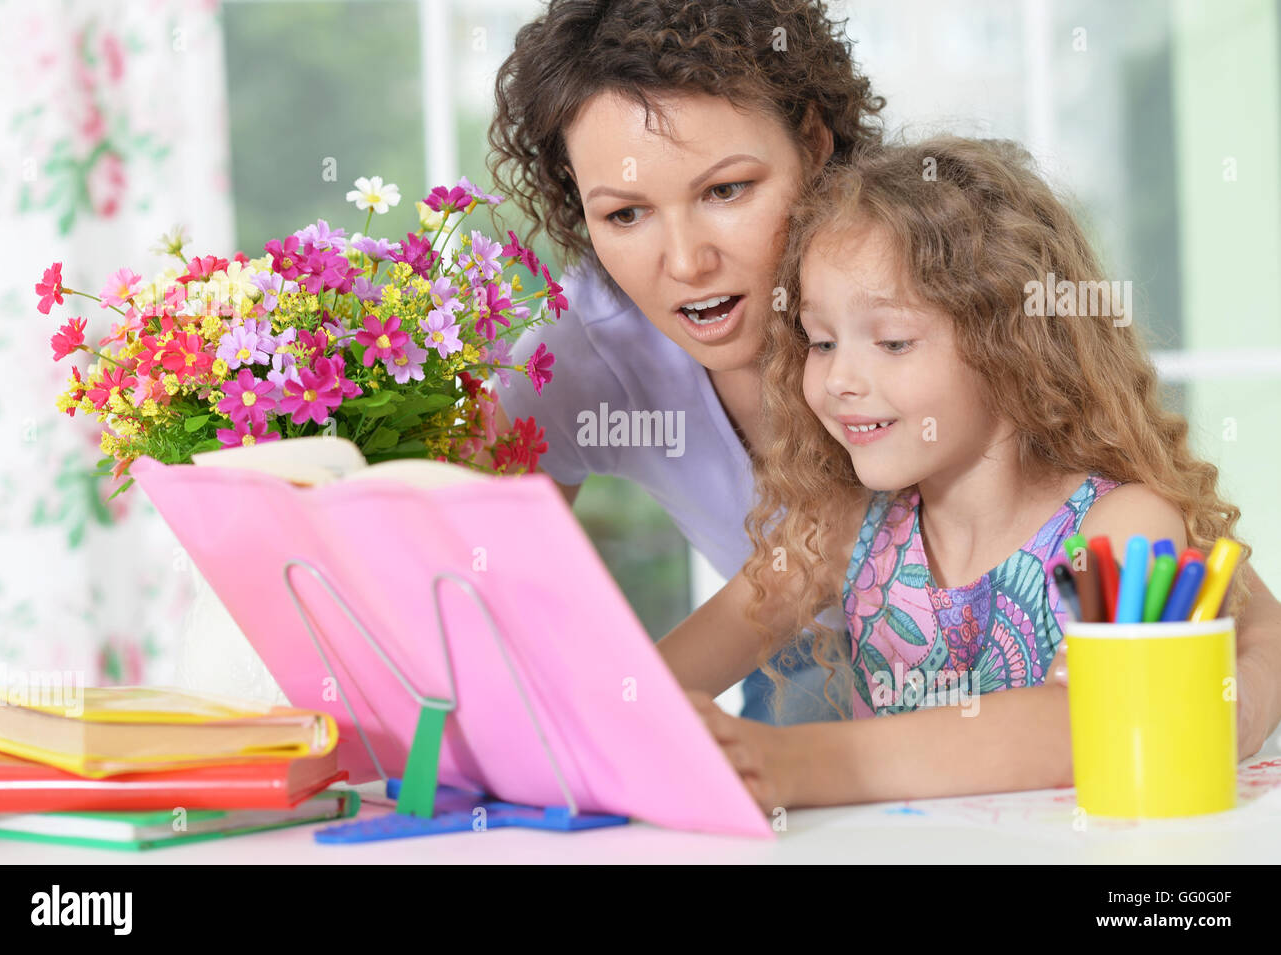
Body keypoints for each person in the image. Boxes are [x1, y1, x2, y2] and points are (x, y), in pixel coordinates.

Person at [483, 0, 1281, 745]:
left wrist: (1214, 710)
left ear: (814, 141)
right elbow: (481, 593)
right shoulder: (583, 360)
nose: (687, 262)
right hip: (835, 674)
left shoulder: (911, 246)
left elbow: (1172, 663)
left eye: (727, 189)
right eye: (625, 212)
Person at [658, 135, 1266, 810]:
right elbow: (661, 680)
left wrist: (796, 761)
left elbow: (1085, 721)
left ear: (1010, 345)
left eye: (892, 341)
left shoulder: (1120, 527)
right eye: (822, 341)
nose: (839, 380)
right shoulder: (841, 529)